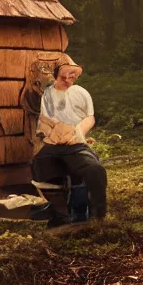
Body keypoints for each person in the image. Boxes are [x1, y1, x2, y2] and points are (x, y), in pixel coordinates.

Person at [32, 63, 107, 221]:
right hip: (53, 143)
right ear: (56, 76)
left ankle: (97, 217)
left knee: (95, 170)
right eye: (63, 77)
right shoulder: (46, 94)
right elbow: (44, 118)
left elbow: (89, 117)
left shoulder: (81, 92)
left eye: (71, 77)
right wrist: (56, 132)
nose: (68, 80)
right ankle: (59, 212)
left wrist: (78, 132)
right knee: (39, 167)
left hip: (75, 143)